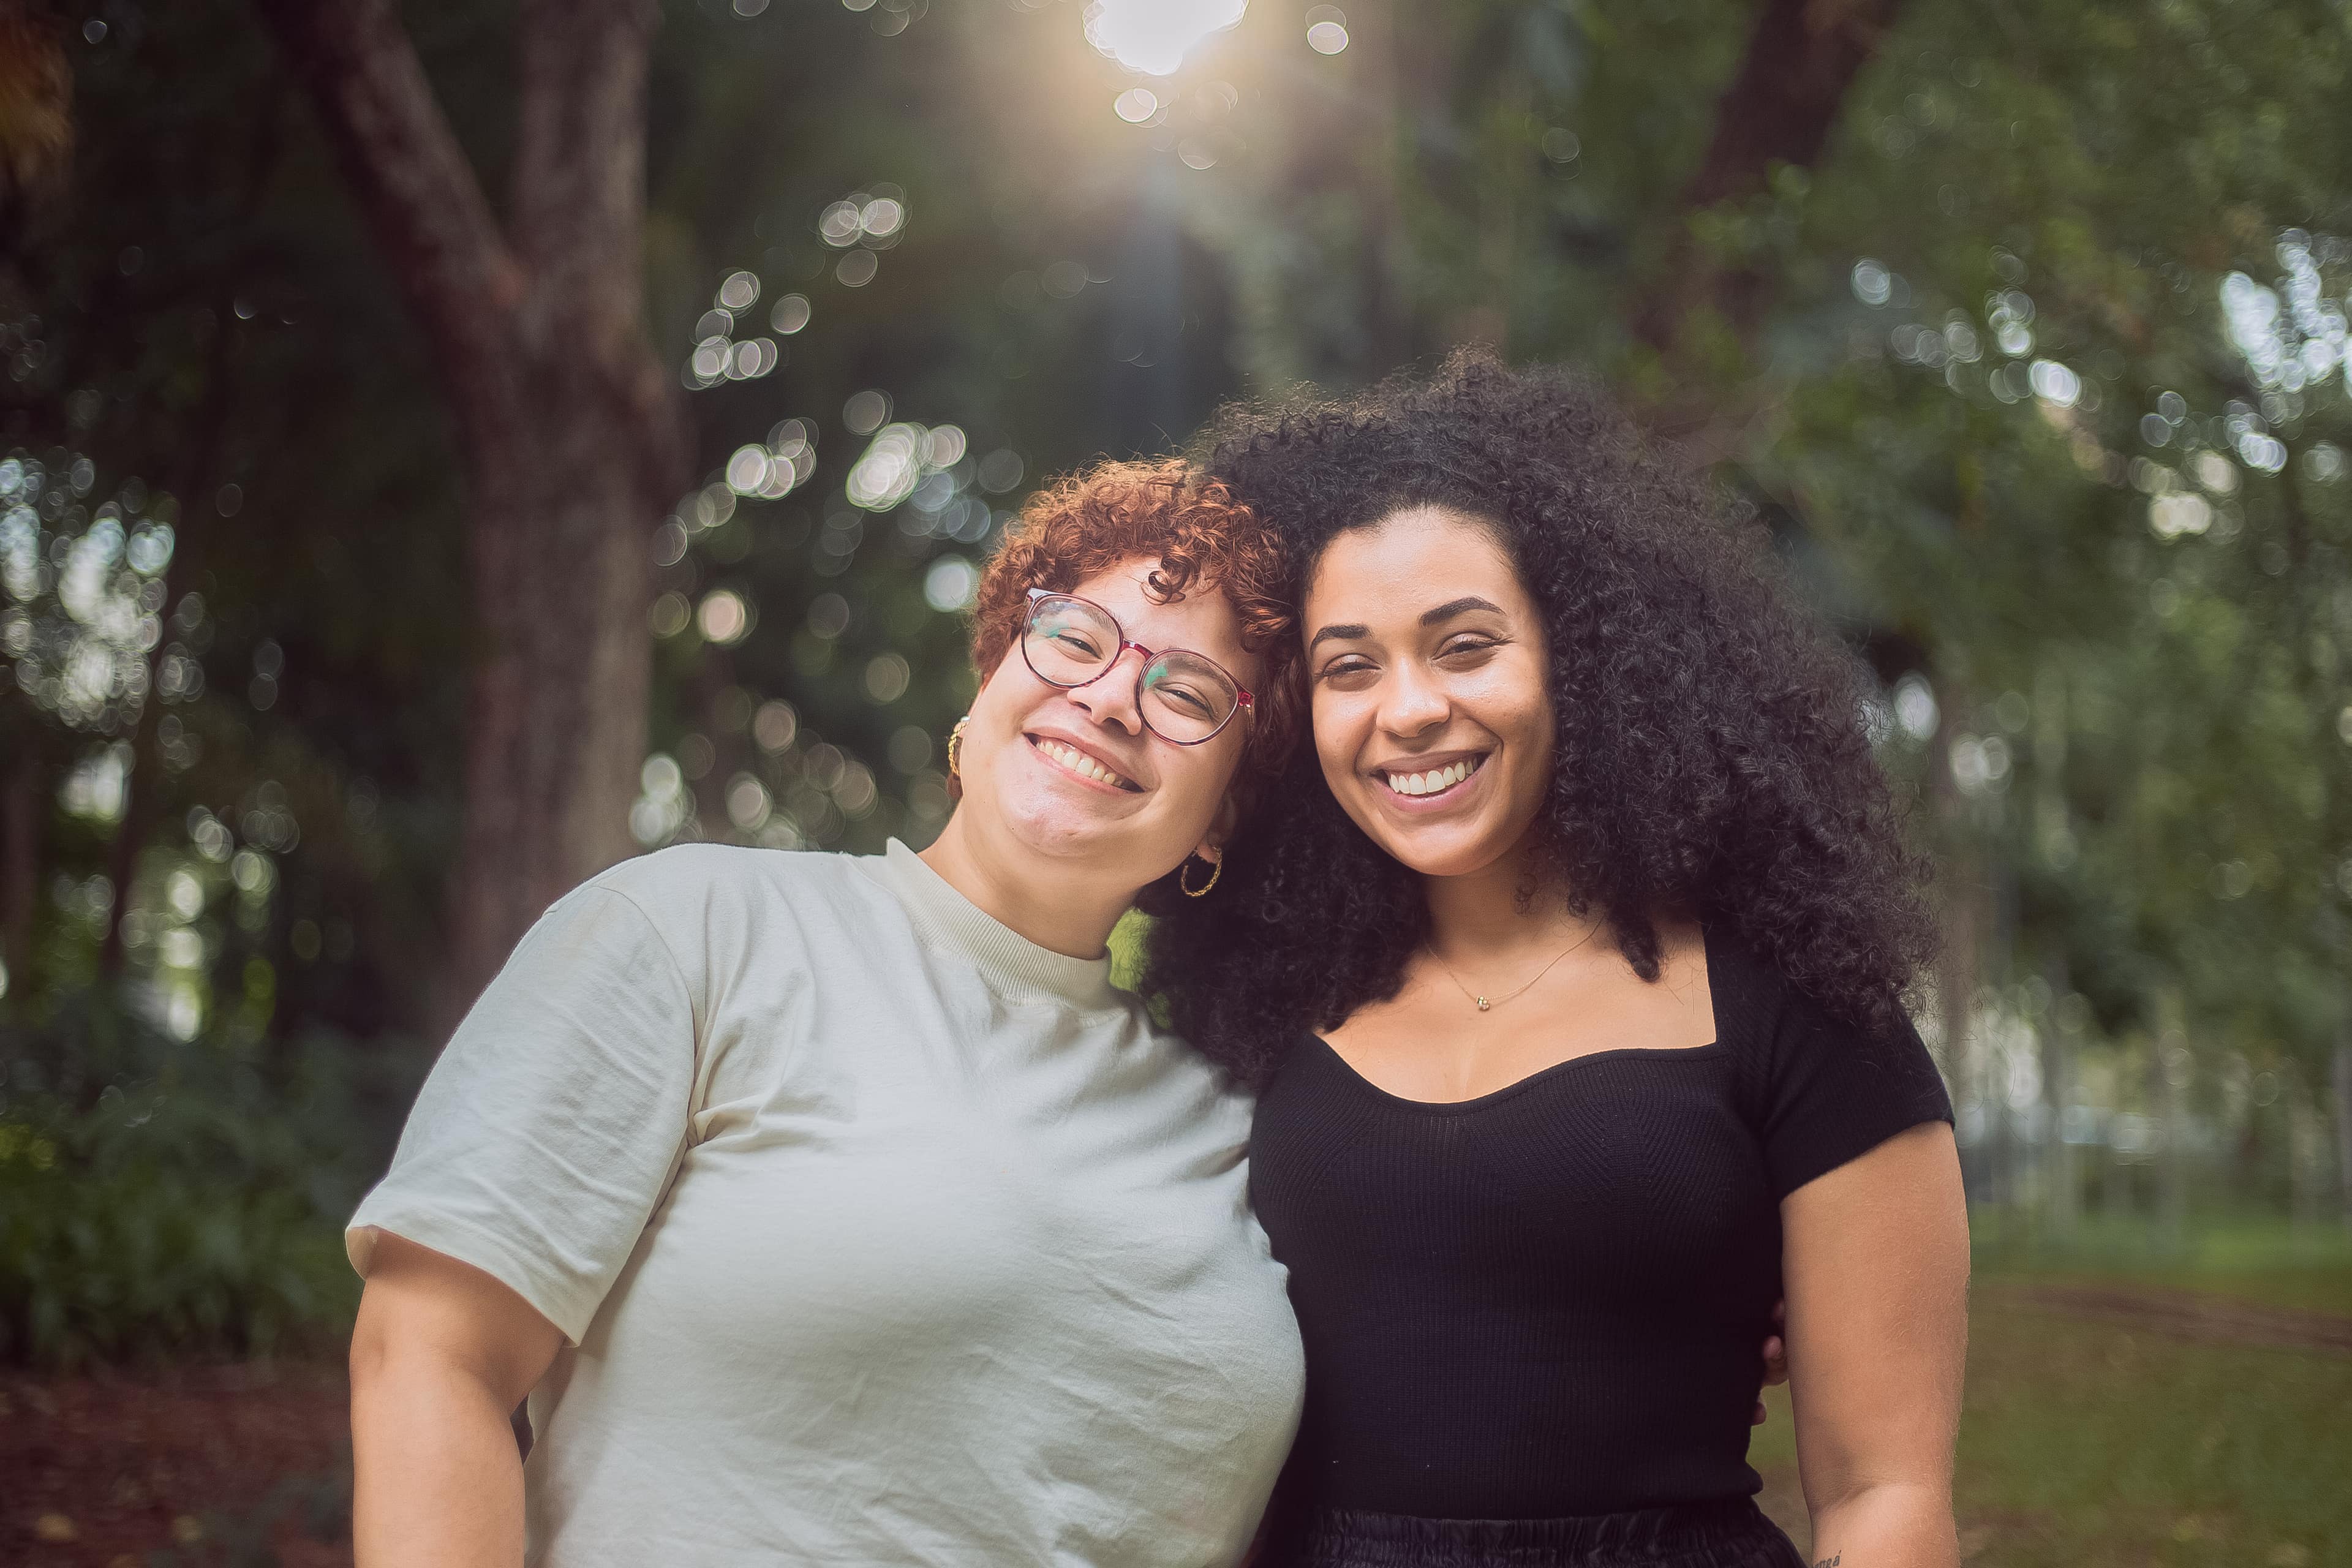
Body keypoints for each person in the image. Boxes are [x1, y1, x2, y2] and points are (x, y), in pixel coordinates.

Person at [342, 459, 1308, 1566]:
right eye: (1075, 640)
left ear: (1228, 812)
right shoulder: (696, 930)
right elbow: (428, 1354)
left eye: (1186, 692)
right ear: (992, 673)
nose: (1109, 696)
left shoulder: (1246, 1124)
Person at [1149, 355, 1970, 1568]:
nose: (1410, 708)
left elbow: (1885, 1495)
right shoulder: (1252, 1018)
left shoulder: (1798, 1008)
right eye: (1349, 666)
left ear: (1581, 659)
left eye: (1465, 644)